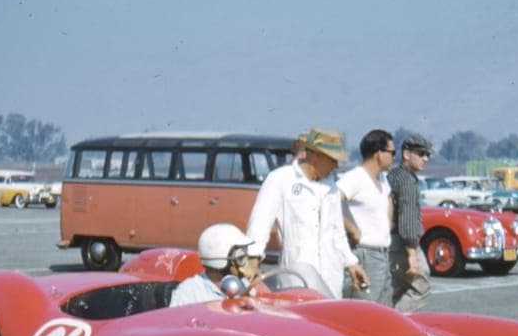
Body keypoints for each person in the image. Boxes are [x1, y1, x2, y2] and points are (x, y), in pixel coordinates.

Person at [245, 127, 367, 298]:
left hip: (331, 278)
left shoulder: (330, 186)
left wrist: (351, 263)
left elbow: (337, 231)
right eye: (333, 160)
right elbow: (260, 223)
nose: (336, 166)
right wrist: (253, 259)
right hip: (297, 278)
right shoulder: (280, 179)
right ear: (316, 156)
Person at [338, 129, 395, 304]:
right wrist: (352, 229)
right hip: (364, 256)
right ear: (379, 153)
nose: (394, 157)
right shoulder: (355, 177)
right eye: (392, 152)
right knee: (362, 314)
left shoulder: (383, 180)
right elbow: (332, 201)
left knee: (384, 315)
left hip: (383, 256)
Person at [388, 134, 433, 313]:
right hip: (403, 243)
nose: (425, 159)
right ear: (406, 154)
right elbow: (406, 219)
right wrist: (412, 255)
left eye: (428, 155)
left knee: (398, 289)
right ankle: (395, 324)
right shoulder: (406, 181)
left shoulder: (394, 175)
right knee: (421, 286)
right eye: (421, 154)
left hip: (391, 243)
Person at [169, 223, 261, 307]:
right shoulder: (189, 291)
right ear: (221, 258)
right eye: (240, 258)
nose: (246, 263)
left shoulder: (244, 284)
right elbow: (175, 322)